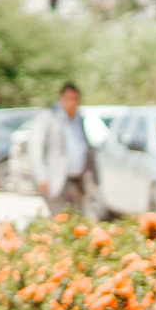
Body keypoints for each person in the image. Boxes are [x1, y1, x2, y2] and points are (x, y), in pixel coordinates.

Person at [20, 83, 95, 216]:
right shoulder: (48, 117)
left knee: (77, 221)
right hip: (56, 180)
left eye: (75, 99)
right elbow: (35, 147)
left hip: (77, 180)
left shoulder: (79, 118)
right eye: (68, 99)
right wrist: (41, 176)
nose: (72, 103)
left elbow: (86, 147)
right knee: (60, 220)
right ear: (61, 98)